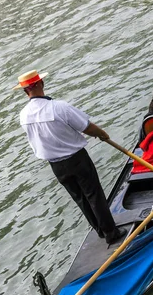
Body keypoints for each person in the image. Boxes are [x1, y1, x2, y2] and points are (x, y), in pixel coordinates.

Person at [14, 69, 124, 245]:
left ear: (25, 91)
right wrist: (102, 134)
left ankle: (100, 230)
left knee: (80, 198)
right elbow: (86, 126)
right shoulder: (58, 107)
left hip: (56, 165)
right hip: (76, 159)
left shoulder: (23, 116)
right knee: (94, 194)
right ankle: (111, 232)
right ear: (41, 84)